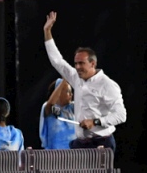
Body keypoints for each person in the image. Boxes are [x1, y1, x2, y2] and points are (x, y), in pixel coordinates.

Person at [43, 12, 126, 151]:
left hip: (101, 143)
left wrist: (95, 122)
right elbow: (57, 61)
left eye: (81, 63)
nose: (77, 67)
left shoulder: (108, 85)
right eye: (76, 63)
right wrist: (47, 31)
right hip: (81, 143)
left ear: (93, 64)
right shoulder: (76, 77)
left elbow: (121, 115)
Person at [40, 79, 79, 150]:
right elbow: (50, 104)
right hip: (55, 155)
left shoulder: (72, 107)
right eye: (68, 91)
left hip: (74, 154)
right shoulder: (48, 107)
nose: (71, 94)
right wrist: (65, 80)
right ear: (59, 92)